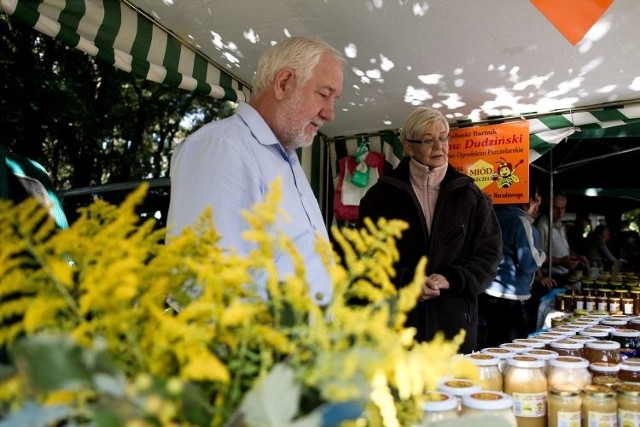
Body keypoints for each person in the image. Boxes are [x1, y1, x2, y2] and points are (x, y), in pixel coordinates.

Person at [165, 36, 344, 304]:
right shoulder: (222, 147)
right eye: (324, 94)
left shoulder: (286, 157)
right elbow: (207, 288)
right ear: (283, 83)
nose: (331, 114)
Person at [356, 107, 502, 354]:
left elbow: (489, 256)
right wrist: (407, 280)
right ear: (408, 146)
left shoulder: (472, 197)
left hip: (454, 329)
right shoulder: (379, 197)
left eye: (443, 137)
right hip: (398, 328)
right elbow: (366, 259)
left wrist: (452, 278)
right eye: (427, 139)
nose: (439, 146)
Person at [479, 183, 546, 347]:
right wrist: (543, 254)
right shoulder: (522, 222)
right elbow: (530, 262)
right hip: (511, 297)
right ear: (527, 200)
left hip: (488, 291)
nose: (538, 206)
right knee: (514, 347)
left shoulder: (494, 216)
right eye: (537, 201)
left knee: (493, 343)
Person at [534, 193, 589, 284]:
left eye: (563, 208)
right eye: (556, 208)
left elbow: (561, 249)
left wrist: (577, 256)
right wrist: (560, 261)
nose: (560, 212)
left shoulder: (559, 223)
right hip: (550, 278)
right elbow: (536, 256)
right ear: (548, 207)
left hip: (562, 276)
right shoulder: (542, 224)